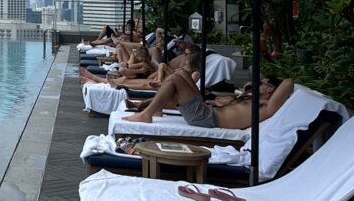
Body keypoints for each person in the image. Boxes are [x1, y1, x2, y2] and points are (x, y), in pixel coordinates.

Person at [124, 71, 294, 129]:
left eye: (261, 84)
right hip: (208, 111)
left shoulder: (266, 107)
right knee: (181, 73)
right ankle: (155, 108)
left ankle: (147, 113)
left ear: (271, 89)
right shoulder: (251, 99)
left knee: (174, 79)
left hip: (205, 118)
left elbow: (288, 83)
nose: (256, 85)